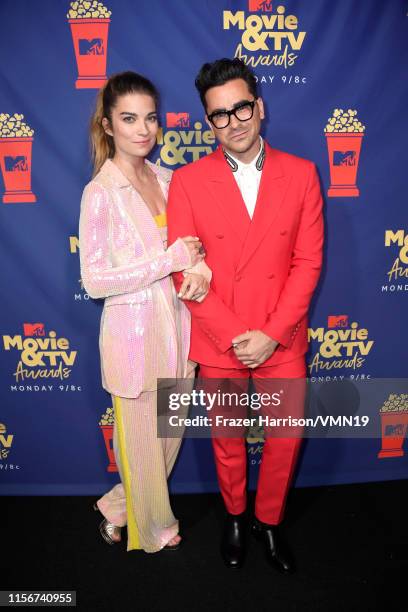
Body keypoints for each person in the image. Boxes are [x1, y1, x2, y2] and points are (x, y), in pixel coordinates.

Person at [167, 58, 324, 571]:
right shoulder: (188, 182)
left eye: (240, 108)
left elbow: (307, 262)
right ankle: (235, 516)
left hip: (282, 337)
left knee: (283, 442)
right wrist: (237, 336)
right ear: (208, 122)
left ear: (259, 106)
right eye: (219, 115)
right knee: (228, 440)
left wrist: (272, 335)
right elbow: (182, 272)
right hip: (221, 338)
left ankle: (270, 522)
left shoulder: (302, 175)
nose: (233, 122)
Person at [79, 71, 209, 553]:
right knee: (141, 447)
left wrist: (197, 268)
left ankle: (115, 505)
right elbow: (94, 280)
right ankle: (153, 528)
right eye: (129, 118)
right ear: (108, 125)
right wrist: (168, 261)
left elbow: (193, 250)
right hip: (134, 340)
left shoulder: (170, 180)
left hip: (181, 331)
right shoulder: (100, 193)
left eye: (150, 118)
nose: (142, 129)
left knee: (166, 440)